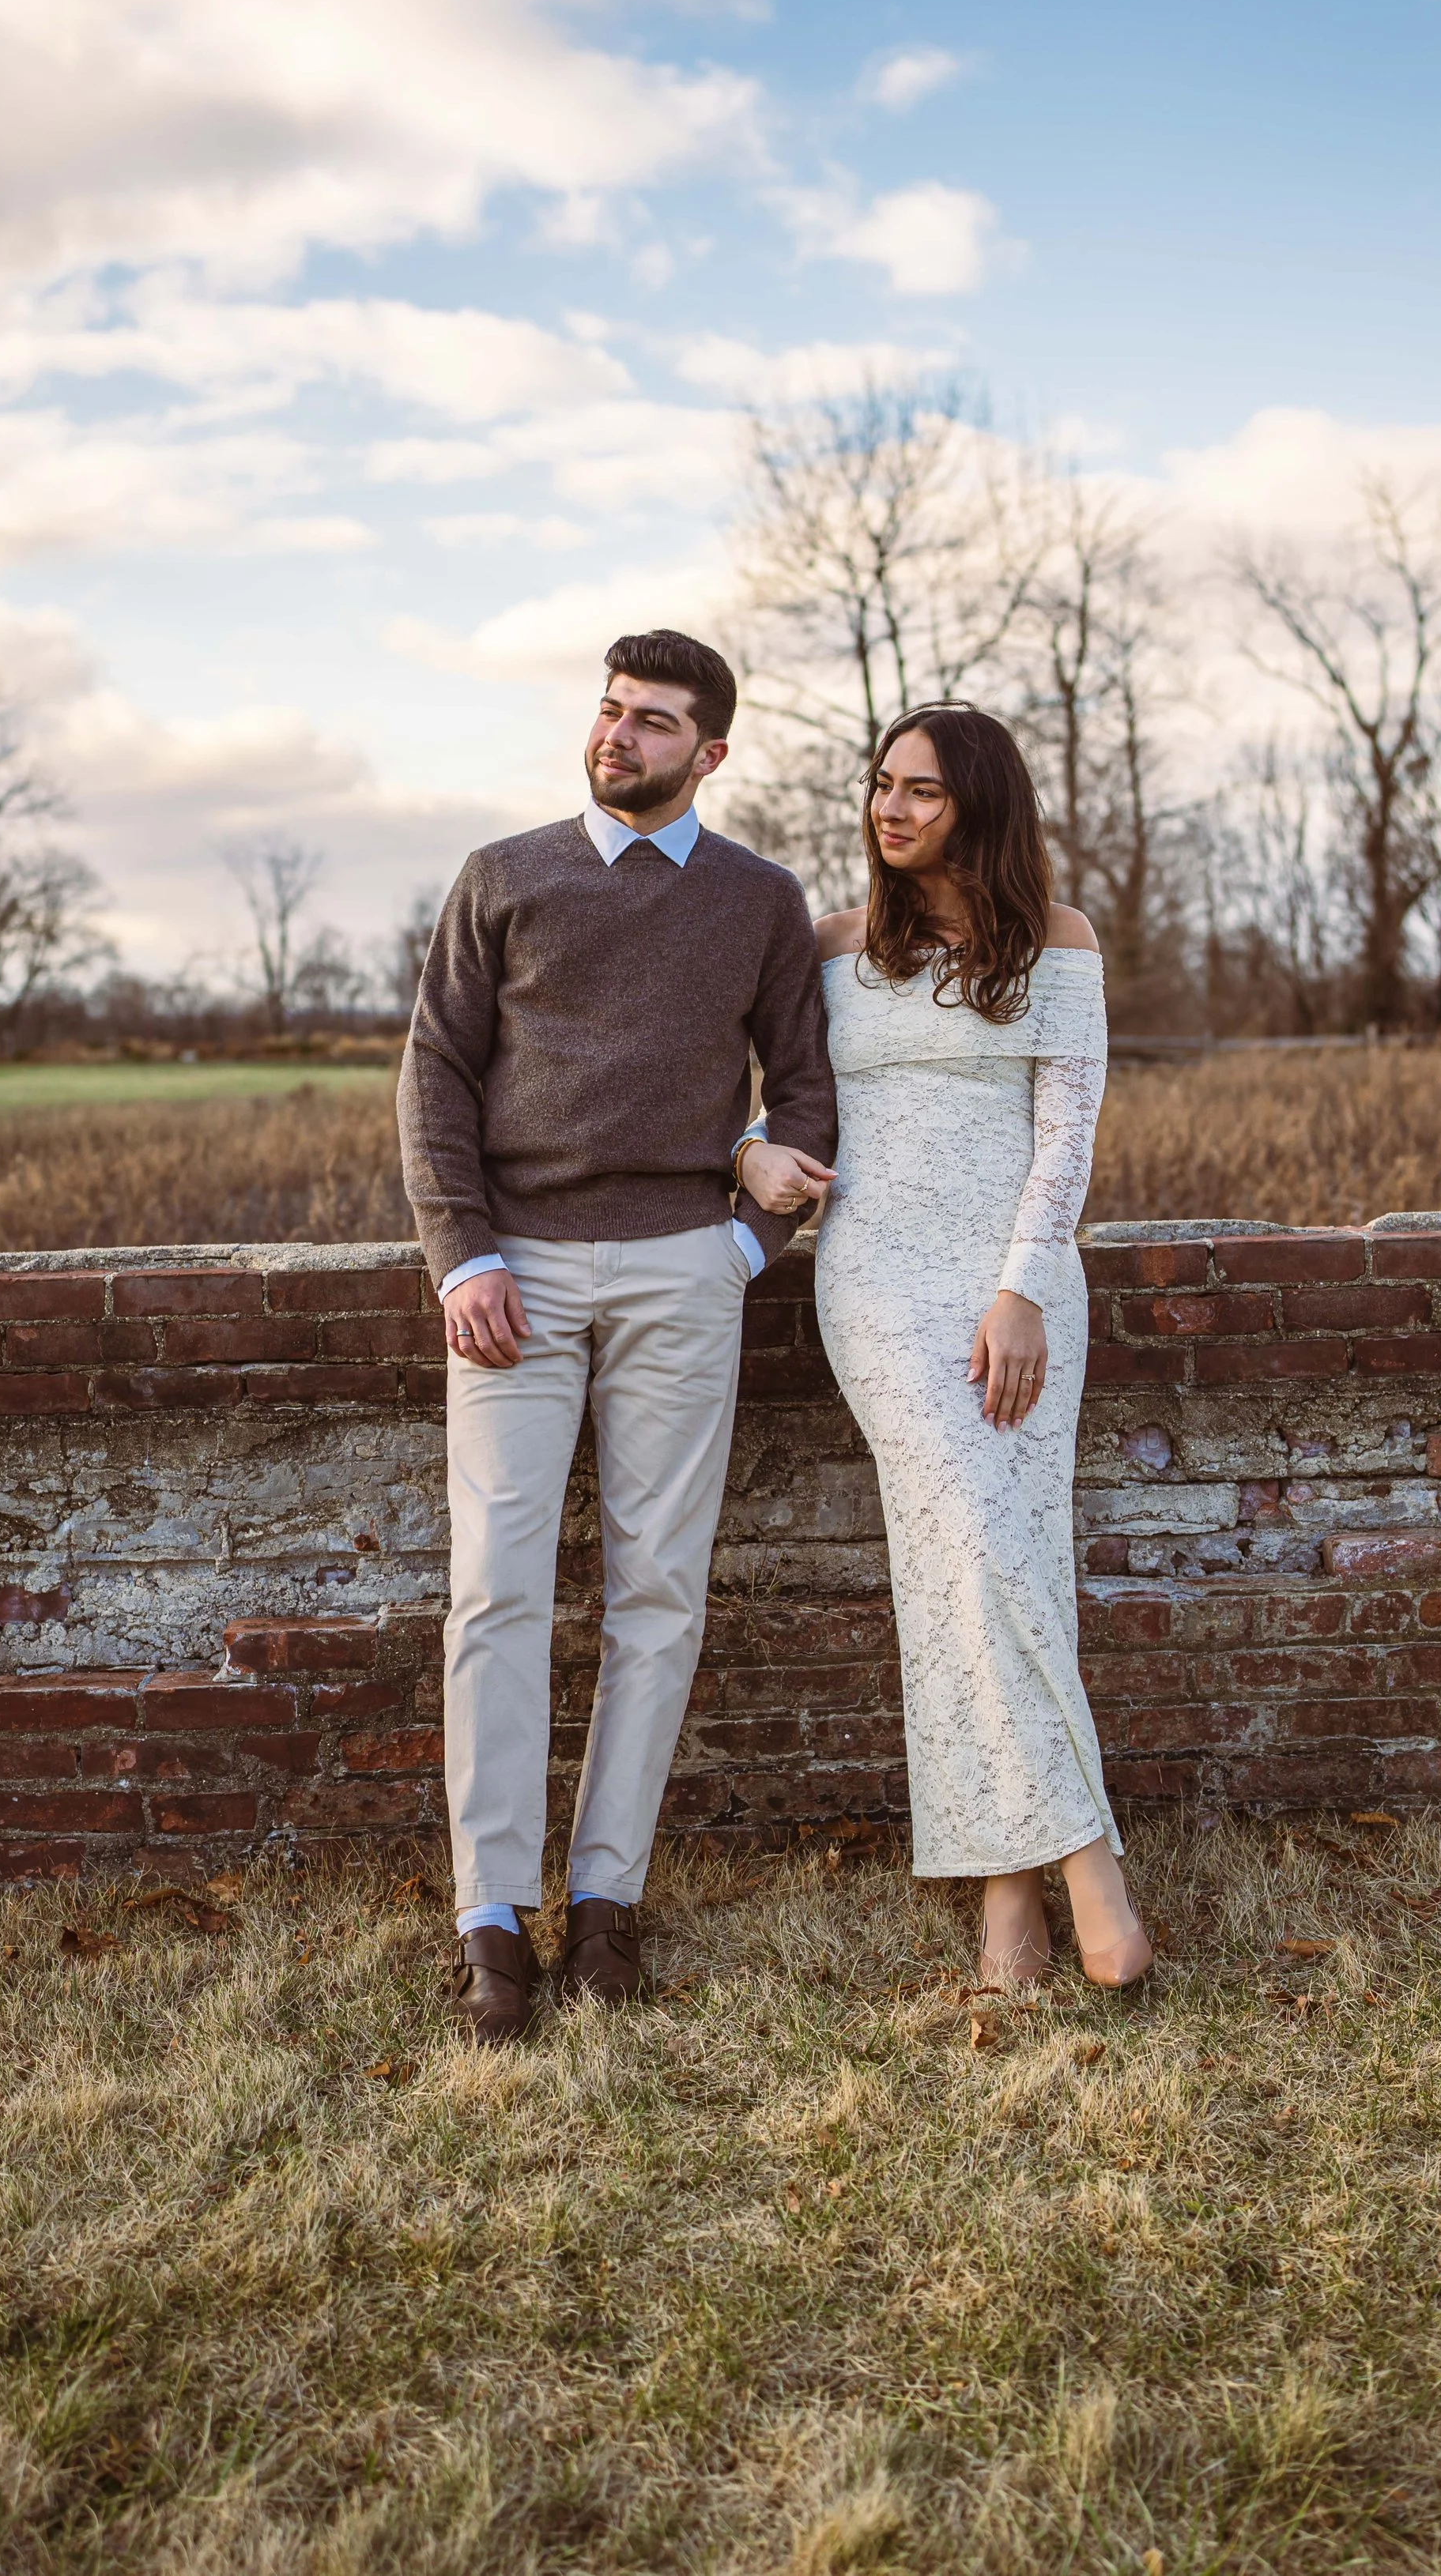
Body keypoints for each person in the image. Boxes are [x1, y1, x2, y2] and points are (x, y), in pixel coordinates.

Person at [398, 631, 837, 2043]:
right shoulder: (504, 876)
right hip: (513, 1272)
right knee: (497, 1590)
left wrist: (741, 1246)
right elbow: (435, 1080)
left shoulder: (762, 901)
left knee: (658, 1591)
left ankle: (605, 1902)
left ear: (710, 753)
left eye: (654, 723)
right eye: (610, 710)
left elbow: (813, 1100)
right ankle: (489, 1920)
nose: (619, 735)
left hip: (680, 1273)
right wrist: (460, 1254)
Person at [738, 705, 1152, 1990]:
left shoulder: (1059, 945)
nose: (891, 808)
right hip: (873, 1285)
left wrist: (1023, 1286)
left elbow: (1066, 1139)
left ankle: (1008, 1916)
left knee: (991, 1564)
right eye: (882, 785)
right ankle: (1095, 1868)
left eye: (921, 788)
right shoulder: (829, 949)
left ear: (980, 801)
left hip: (1015, 1289)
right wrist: (745, 1150)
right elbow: (729, 1095)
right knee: (973, 1544)